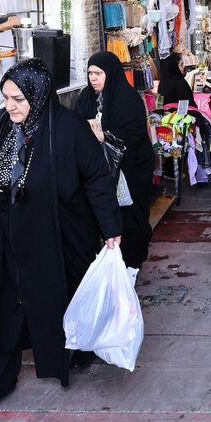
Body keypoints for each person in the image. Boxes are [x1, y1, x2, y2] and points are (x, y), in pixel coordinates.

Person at [0, 59, 122, 415]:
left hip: (56, 233)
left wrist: (111, 228)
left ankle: (71, 350)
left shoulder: (69, 130)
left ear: (38, 94)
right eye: (5, 98)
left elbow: (97, 178)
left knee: (57, 299)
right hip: (10, 233)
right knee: (4, 302)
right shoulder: (5, 123)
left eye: (18, 98)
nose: (10, 106)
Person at [73, 52, 155, 276]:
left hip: (131, 169)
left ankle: (132, 264)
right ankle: (110, 261)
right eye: (90, 73)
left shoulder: (128, 99)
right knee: (104, 215)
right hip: (99, 172)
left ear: (111, 74)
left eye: (98, 73)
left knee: (130, 217)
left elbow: (134, 134)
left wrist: (105, 137)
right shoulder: (86, 98)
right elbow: (75, 126)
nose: (93, 78)